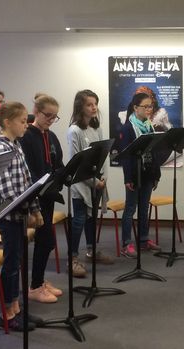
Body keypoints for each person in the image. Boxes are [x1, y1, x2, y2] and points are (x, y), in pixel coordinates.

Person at [0, 101, 47, 320]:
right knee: (11, 262)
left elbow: (26, 181)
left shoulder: (16, 145)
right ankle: (8, 310)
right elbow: (6, 189)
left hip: (19, 212)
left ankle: (16, 305)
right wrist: (26, 210)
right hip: (7, 214)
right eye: (22, 121)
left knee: (18, 260)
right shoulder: (0, 148)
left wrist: (35, 209)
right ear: (6, 122)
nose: (26, 125)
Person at [19, 94, 67, 302]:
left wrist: (69, 174)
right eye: (48, 115)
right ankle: (35, 286)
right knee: (45, 241)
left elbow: (58, 163)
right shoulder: (27, 136)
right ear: (36, 112)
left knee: (46, 242)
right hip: (35, 198)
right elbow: (31, 170)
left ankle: (39, 282)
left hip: (48, 196)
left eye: (55, 117)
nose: (50, 120)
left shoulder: (51, 136)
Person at [67, 90, 114, 272]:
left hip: (97, 182)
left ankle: (91, 251)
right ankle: (72, 259)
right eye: (89, 104)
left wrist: (103, 179)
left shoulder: (97, 128)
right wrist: (94, 182)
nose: (94, 107)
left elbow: (103, 156)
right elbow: (76, 165)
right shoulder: (74, 131)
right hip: (81, 184)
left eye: (95, 103)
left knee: (91, 220)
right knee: (79, 220)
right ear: (80, 107)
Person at [119, 92, 164, 258]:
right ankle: (126, 244)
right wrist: (127, 178)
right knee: (130, 208)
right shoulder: (128, 128)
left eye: (151, 106)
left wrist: (156, 174)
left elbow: (154, 153)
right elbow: (126, 156)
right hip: (134, 174)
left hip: (148, 173)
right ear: (135, 107)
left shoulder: (149, 126)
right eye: (145, 106)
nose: (149, 109)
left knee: (144, 209)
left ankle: (143, 240)